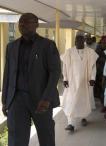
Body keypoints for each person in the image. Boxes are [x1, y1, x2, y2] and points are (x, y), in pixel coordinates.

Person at [1, 13, 61, 146]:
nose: (22, 24)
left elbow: (55, 72)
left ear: (36, 25)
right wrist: (5, 99)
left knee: (46, 136)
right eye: (21, 22)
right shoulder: (11, 47)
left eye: (27, 22)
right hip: (16, 99)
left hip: (41, 99)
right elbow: (8, 74)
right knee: (16, 139)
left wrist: (46, 98)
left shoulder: (47, 45)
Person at [62, 31, 98, 132]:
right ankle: (70, 124)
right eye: (77, 40)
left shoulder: (90, 52)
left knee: (83, 100)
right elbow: (64, 66)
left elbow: (93, 66)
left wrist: (92, 78)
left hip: (85, 81)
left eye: (80, 39)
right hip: (72, 81)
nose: (78, 41)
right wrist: (65, 78)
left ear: (84, 41)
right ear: (75, 41)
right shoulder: (69, 52)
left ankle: (83, 118)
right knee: (70, 101)